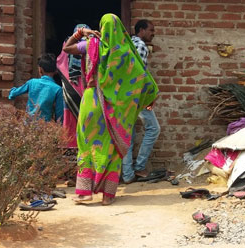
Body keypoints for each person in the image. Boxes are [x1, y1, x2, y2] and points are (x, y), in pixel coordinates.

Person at [62, 14, 158, 205]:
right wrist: (147, 98)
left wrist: (81, 32)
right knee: (113, 147)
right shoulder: (126, 52)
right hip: (114, 108)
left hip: (91, 101)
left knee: (87, 144)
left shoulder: (91, 45)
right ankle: (108, 195)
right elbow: (142, 78)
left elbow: (67, 48)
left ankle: (84, 192)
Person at [122, 19, 160, 183]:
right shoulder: (141, 46)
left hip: (125, 97)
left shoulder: (128, 44)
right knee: (153, 128)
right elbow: (138, 76)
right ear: (141, 30)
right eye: (151, 30)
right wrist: (149, 97)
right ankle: (139, 167)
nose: (153, 33)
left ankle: (127, 174)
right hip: (138, 97)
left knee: (128, 136)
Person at [8, 53, 64, 123]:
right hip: (44, 125)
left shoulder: (32, 82)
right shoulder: (58, 89)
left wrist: (11, 92)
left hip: (28, 124)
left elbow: (14, 93)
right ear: (56, 71)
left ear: (40, 69)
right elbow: (59, 114)